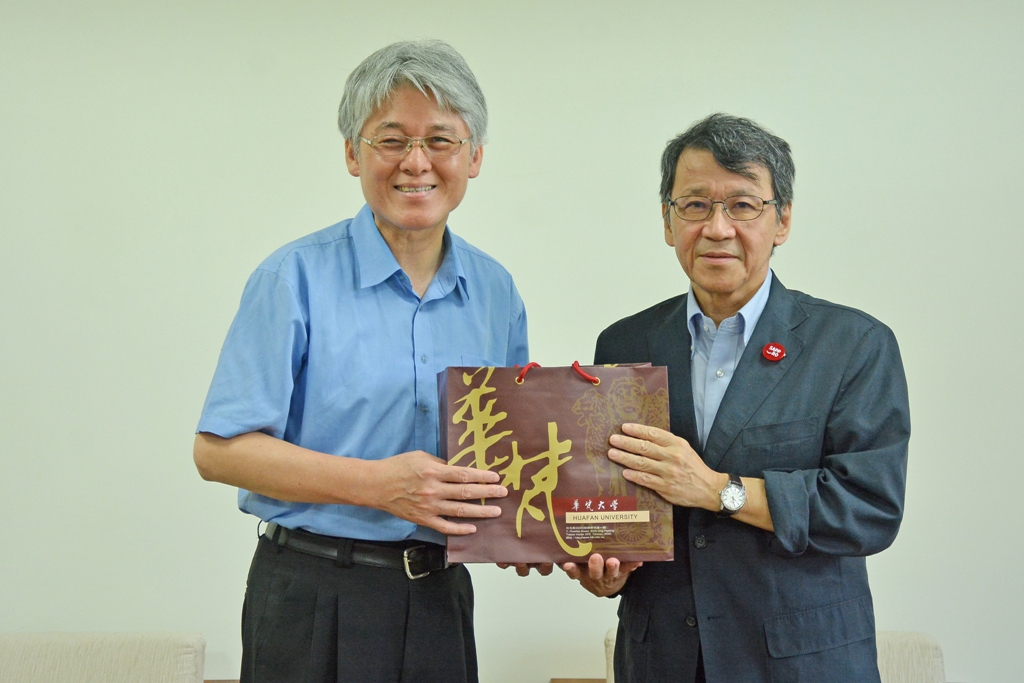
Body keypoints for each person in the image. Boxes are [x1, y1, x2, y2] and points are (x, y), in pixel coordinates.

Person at [193, 40, 528, 683]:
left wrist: (541, 530)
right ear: (352, 153)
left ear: (475, 157)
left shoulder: (496, 291)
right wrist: (378, 486)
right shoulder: (292, 278)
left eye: (441, 140)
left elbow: (497, 454)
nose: (416, 163)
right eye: (391, 139)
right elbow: (218, 451)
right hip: (312, 597)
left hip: (439, 598)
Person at [561, 114, 910, 682]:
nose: (717, 228)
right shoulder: (625, 343)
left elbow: (868, 510)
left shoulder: (852, 344)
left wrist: (716, 490)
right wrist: (609, 566)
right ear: (668, 222)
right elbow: (619, 504)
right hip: (661, 659)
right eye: (694, 205)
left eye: (743, 205)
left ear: (783, 220)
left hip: (801, 663)